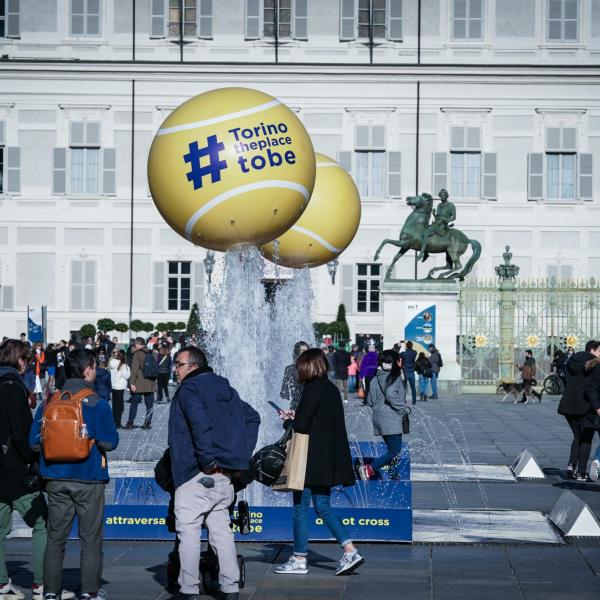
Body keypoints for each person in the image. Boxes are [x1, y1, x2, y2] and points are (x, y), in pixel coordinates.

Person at [168, 346, 259, 600]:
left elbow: (200, 426)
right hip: (224, 476)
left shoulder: (189, 389)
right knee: (221, 532)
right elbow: (253, 417)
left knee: (188, 530)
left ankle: (188, 589)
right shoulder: (225, 389)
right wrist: (239, 454)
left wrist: (208, 460)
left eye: (179, 364)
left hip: (195, 473)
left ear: (194, 366)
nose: (175, 369)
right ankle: (230, 587)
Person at [29, 349, 118, 600]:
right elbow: (110, 443)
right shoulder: (97, 402)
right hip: (88, 478)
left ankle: (50, 592)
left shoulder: (50, 401)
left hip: (55, 479)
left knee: (55, 538)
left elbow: (34, 442)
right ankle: (89, 591)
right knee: (90, 539)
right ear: (88, 369)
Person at [275, 349, 363, 577]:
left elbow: (302, 426)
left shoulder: (311, 389)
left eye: (301, 366)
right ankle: (349, 550)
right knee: (323, 506)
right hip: (327, 460)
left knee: (300, 508)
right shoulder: (331, 389)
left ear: (309, 367)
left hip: (309, 460)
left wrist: (288, 421)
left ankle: (299, 558)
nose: (298, 371)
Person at [0, 340, 76, 600]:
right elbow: (22, 435)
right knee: (43, 522)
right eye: (28, 361)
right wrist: (33, 461)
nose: (29, 365)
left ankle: (1, 586)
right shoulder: (12, 387)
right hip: (13, 470)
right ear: (20, 361)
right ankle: (43, 583)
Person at [361, 349, 407, 481]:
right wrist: (403, 410)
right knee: (395, 451)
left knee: (392, 450)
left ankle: (394, 475)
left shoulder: (376, 378)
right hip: (391, 418)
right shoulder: (394, 377)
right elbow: (391, 395)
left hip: (378, 418)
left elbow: (369, 400)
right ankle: (369, 468)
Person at [557, 340, 600, 480]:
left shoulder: (572, 361)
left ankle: (571, 466)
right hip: (585, 406)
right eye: (599, 351)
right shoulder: (594, 363)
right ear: (593, 349)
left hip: (568, 405)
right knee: (586, 438)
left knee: (577, 437)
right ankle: (581, 472)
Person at [125, 337, 156, 430]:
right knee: (149, 405)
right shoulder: (151, 353)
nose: (134, 346)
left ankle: (130, 422)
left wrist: (132, 383)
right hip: (150, 382)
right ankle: (147, 423)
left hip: (139, 383)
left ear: (138, 344)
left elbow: (134, 370)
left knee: (134, 404)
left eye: (135, 345)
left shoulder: (137, 354)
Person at [416, 189, 456, 261]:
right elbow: (438, 216)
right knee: (423, 232)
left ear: (447, 196)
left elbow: (454, 217)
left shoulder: (451, 205)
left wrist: (447, 220)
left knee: (426, 234)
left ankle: (421, 253)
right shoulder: (439, 205)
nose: (442, 197)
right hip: (436, 223)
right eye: (441, 196)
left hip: (443, 224)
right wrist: (434, 214)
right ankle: (425, 253)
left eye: (444, 195)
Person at [280, 341, 309, 411]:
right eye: (303, 351)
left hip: (310, 408)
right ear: (297, 353)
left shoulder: (312, 369)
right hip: (295, 409)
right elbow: (284, 392)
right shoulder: (289, 369)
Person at [109, 350, 130, 429]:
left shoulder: (112, 362)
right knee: (120, 406)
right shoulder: (123, 365)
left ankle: (115, 421)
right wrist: (126, 367)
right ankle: (118, 423)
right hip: (120, 387)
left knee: (115, 405)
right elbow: (127, 375)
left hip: (113, 386)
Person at [399, 341, 417, 405]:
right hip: (411, 372)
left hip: (405, 372)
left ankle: (404, 400)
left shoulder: (403, 353)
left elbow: (398, 355)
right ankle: (414, 401)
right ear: (412, 346)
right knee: (413, 388)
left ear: (406, 346)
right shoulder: (415, 352)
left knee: (404, 387)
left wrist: (401, 346)